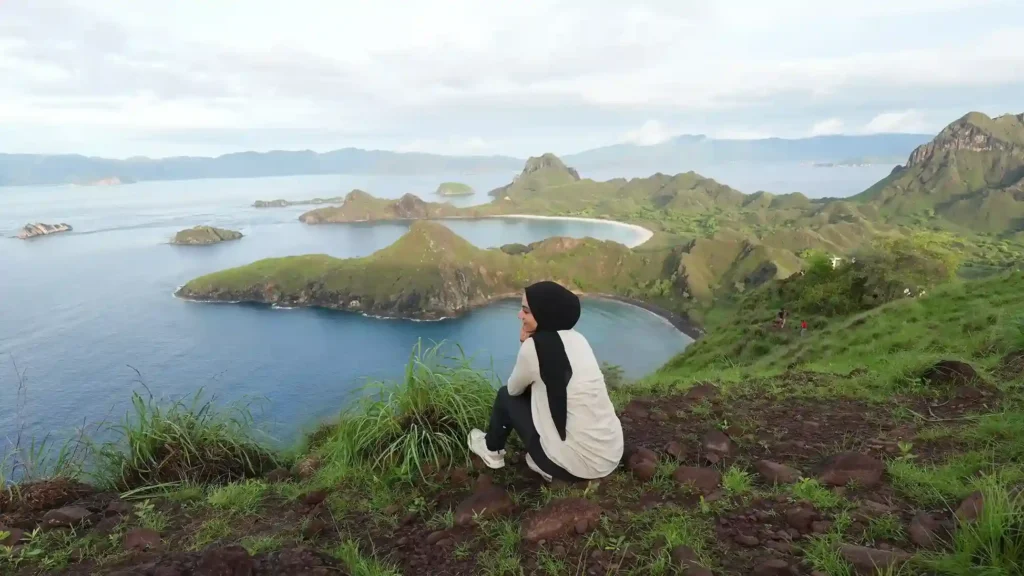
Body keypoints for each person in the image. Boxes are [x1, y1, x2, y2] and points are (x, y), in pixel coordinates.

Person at [467, 281, 624, 482]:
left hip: (576, 468)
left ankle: (492, 451)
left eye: (526, 311)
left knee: (505, 396)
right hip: (610, 455)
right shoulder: (578, 339)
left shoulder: (534, 348)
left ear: (544, 314)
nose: (519, 315)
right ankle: (551, 459)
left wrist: (524, 344)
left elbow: (515, 390)